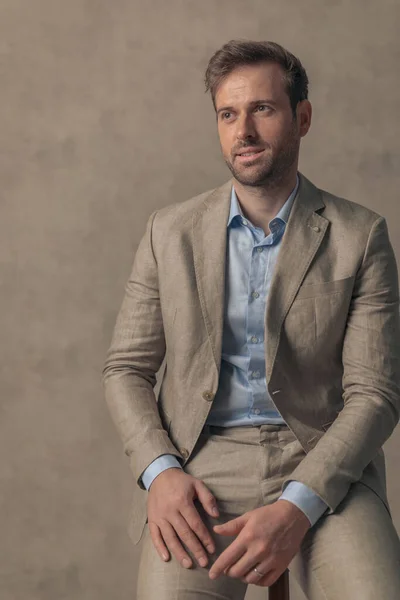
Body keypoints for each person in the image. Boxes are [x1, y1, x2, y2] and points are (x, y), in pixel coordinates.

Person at [102, 39, 400, 599]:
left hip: (321, 457)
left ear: (302, 117)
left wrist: (298, 505)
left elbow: (375, 393)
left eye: (262, 109)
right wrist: (159, 473)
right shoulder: (168, 232)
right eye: (228, 114)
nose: (244, 131)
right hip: (200, 464)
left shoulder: (361, 235)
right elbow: (125, 369)